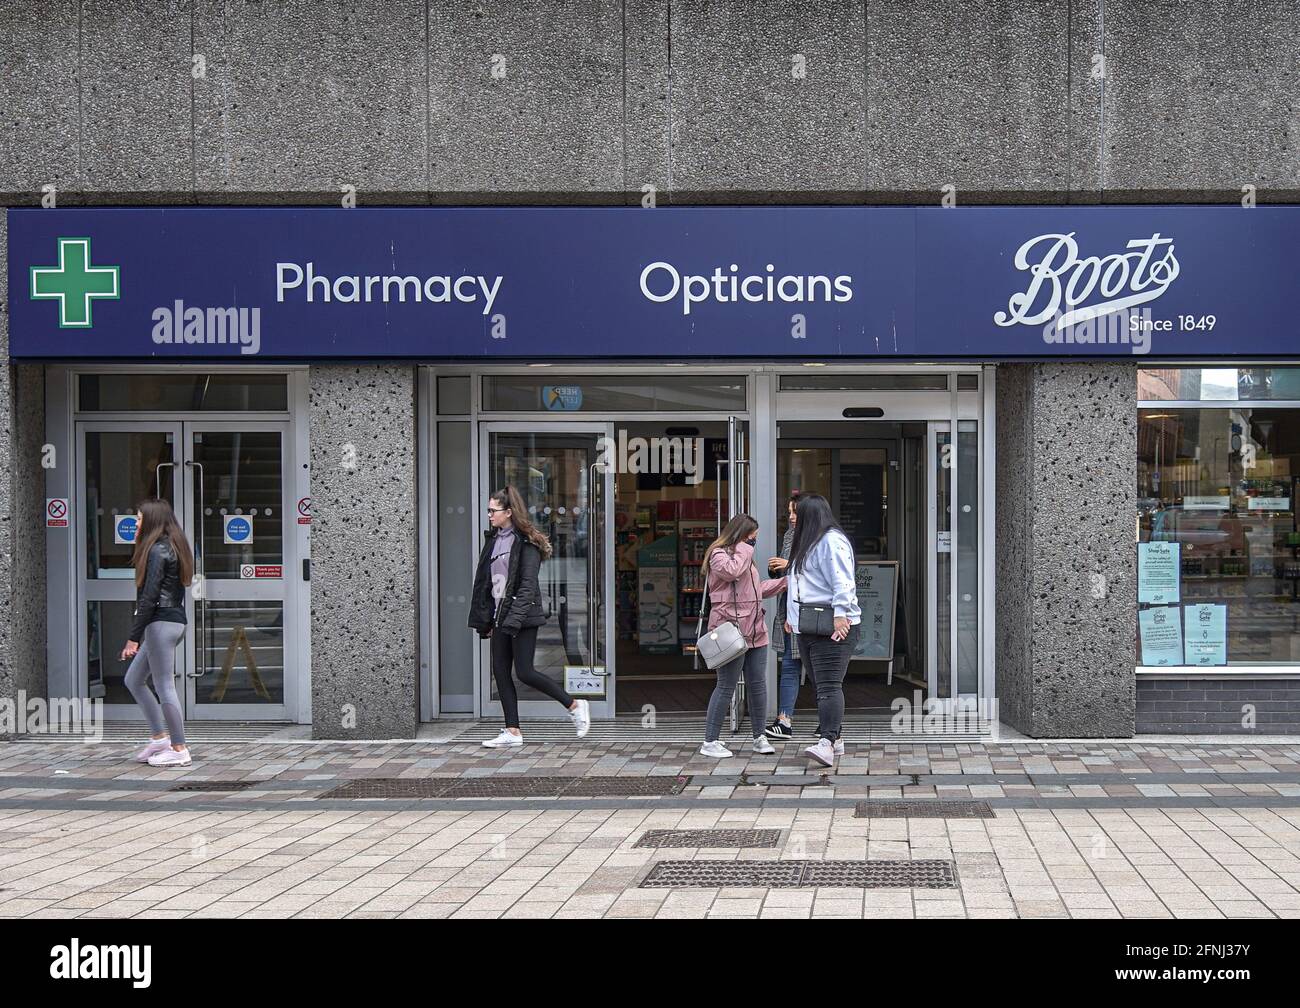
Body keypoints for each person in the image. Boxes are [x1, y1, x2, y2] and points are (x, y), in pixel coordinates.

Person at [469, 485, 590, 747]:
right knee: (500, 672)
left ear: (509, 512)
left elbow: (527, 586)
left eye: (493, 510)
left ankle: (574, 704)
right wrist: (485, 619)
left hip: (522, 616)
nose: (489, 515)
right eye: (488, 510)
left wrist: (513, 620)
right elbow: (485, 583)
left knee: (524, 672)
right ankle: (512, 731)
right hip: (500, 615)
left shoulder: (527, 543)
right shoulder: (493, 540)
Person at [698, 513, 786, 758]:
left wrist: (785, 583)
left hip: (755, 629)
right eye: (752, 539)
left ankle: (759, 737)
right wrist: (743, 548)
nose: (753, 544)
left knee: (757, 685)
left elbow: (755, 591)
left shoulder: (744, 556)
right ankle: (710, 741)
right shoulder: (719, 555)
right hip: (730, 630)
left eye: (754, 541)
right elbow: (732, 572)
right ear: (740, 536)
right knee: (726, 686)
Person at [786, 493, 861, 767]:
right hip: (809, 625)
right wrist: (792, 619)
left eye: (795, 512)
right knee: (821, 686)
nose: (791, 517)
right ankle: (836, 739)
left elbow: (843, 582)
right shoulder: (809, 542)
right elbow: (801, 586)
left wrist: (841, 615)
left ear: (810, 515)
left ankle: (827, 742)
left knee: (828, 686)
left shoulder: (831, 541)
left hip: (832, 625)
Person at [121, 499, 195, 767]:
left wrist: (133, 637)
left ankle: (179, 749)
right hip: (172, 621)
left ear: (151, 521)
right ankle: (159, 738)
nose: (136, 523)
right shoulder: (174, 546)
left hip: (160, 624)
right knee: (134, 679)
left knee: (164, 686)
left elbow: (150, 597)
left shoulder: (156, 550)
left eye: (140, 518)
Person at [766, 490, 802, 738]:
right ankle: (784, 719)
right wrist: (775, 570)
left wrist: (787, 565)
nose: (790, 516)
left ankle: (832, 725)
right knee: (789, 664)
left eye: (795, 512)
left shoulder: (823, 538)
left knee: (821, 670)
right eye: (788, 512)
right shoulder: (790, 535)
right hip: (789, 609)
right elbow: (787, 573)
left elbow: (818, 571)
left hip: (814, 612)